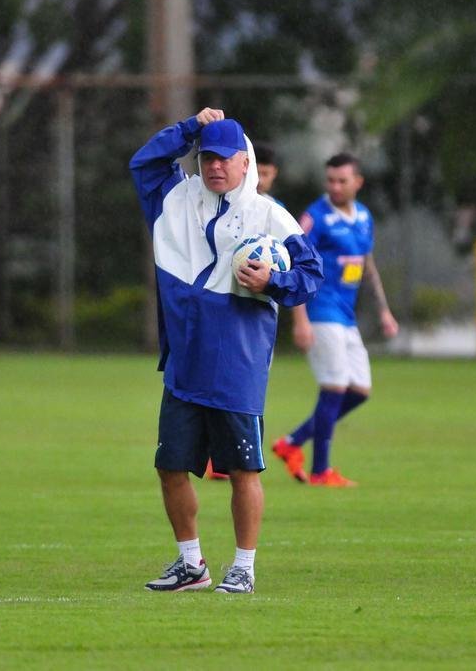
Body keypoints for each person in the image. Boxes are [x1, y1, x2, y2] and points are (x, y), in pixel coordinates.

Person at [130, 107, 323, 594]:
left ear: (245, 163)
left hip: (237, 364)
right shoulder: (174, 197)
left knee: (242, 470)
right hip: (184, 361)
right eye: (207, 156)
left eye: (225, 158)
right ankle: (191, 564)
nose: (215, 166)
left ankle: (244, 566)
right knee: (170, 466)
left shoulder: (269, 216)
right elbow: (144, 163)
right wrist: (189, 128)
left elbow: (311, 275)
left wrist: (273, 279)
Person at [272, 152, 399, 487]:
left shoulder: (364, 217)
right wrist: (299, 318)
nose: (336, 186)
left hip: (345, 315)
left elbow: (366, 263)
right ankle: (320, 471)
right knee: (335, 387)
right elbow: (292, 263)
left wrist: (384, 309)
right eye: (330, 180)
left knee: (360, 389)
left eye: (342, 180)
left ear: (358, 182)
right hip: (319, 310)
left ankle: (292, 442)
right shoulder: (315, 217)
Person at [204, 142, 285, 482]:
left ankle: (230, 450)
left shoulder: (275, 213)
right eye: (258, 172)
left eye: (266, 173)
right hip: (225, 310)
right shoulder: (218, 207)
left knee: (248, 381)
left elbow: (295, 264)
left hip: (261, 310)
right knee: (220, 378)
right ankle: (214, 455)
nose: (260, 179)